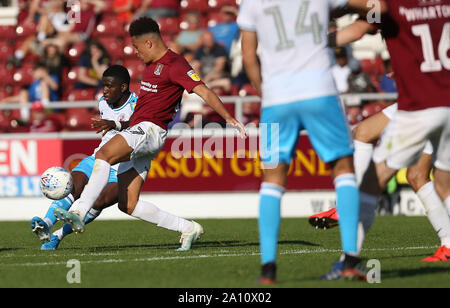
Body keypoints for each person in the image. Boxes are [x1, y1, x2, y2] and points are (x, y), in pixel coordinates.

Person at [53, 17, 247, 252]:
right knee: (128, 204)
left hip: (150, 130)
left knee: (103, 155)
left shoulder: (175, 64)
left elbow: (203, 90)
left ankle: (79, 211)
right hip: (141, 132)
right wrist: (117, 125)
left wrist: (228, 117)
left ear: (148, 43)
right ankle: (188, 228)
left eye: (136, 47)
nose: (134, 52)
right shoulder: (150, 67)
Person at [238, 0, 381, 284]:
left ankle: (268, 270)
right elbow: (370, 7)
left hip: (277, 98)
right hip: (320, 92)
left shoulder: (251, 3)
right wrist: (369, 17)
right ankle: (350, 260)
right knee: (343, 170)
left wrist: (266, 95)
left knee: (272, 179)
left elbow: (249, 58)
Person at [30, 65, 137, 250]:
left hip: (124, 165)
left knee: (99, 201)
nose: (105, 90)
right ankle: (45, 224)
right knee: (74, 185)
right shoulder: (103, 102)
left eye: (110, 86)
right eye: (103, 85)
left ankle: (58, 236)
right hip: (100, 156)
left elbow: (140, 127)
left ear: (123, 87)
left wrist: (114, 124)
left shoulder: (137, 104)